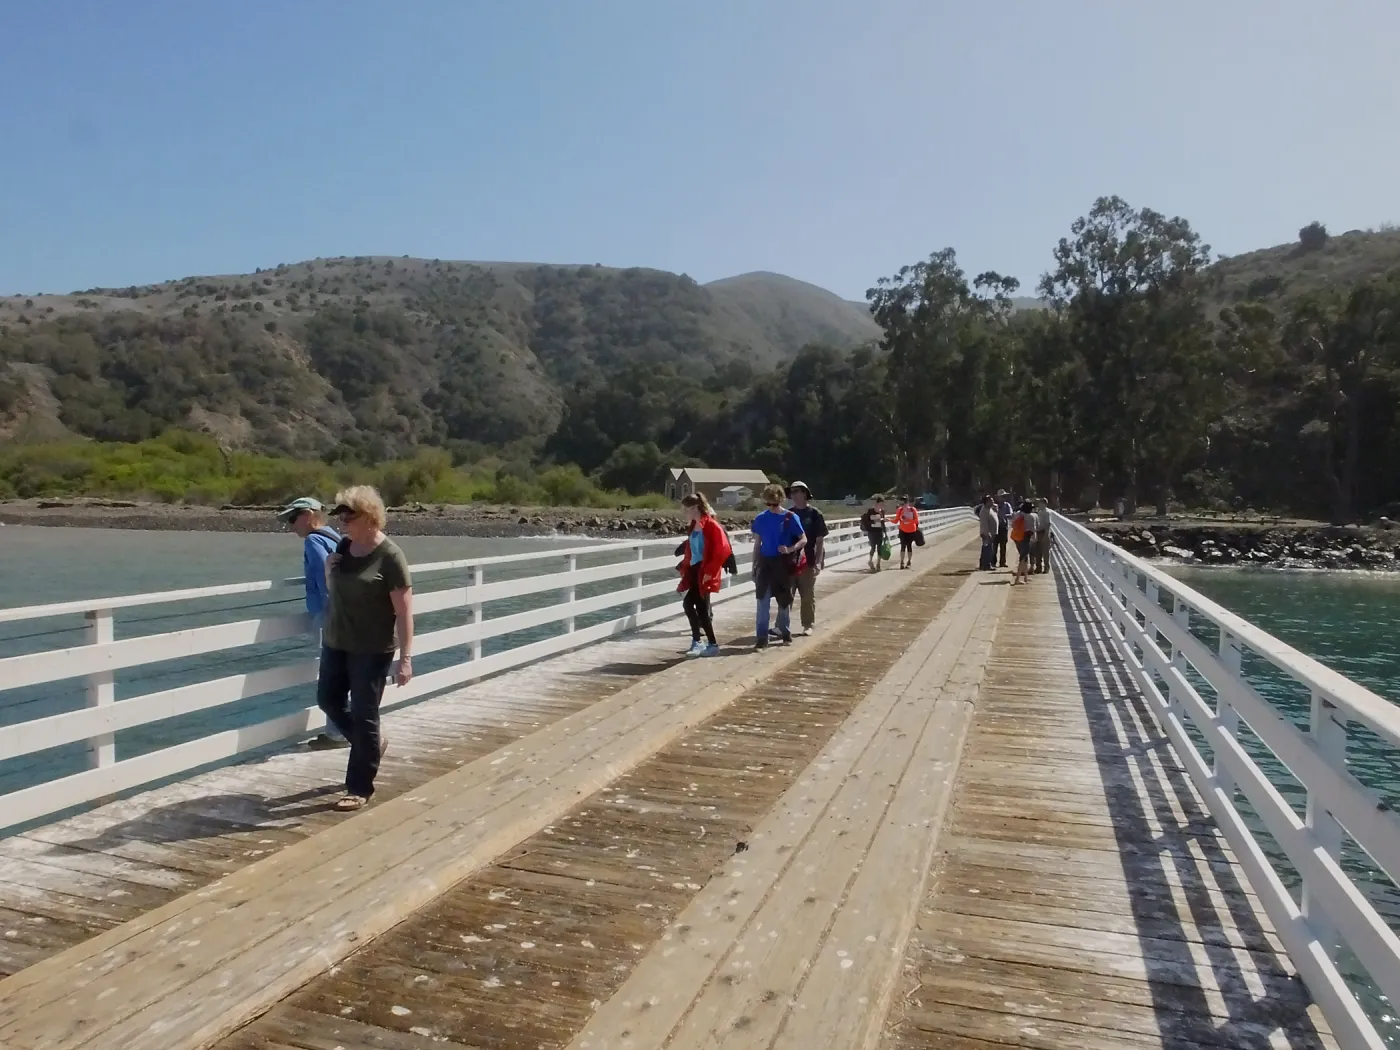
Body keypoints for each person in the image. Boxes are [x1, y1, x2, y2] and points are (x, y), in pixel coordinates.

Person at [320, 485, 415, 811]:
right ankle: (372, 744)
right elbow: (337, 592)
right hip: (336, 641)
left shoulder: (391, 557)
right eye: (340, 516)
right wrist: (328, 571)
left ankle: (359, 787)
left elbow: (404, 613)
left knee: (364, 715)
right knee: (327, 700)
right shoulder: (344, 547)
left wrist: (406, 659)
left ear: (369, 517)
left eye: (348, 517)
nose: (342, 522)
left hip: (371, 650)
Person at [278, 496, 349, 751]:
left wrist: (330, 614)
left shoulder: (314, 540)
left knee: (332, 675)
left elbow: (324, 576)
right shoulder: (335, 536)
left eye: (292, 518)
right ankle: (347, 728)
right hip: (346, 612)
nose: (290, 525)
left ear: (308, 515)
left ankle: (338, 733)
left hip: (330, 614)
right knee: (345, 673)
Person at [750, 483, 806, 649]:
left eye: (774, 504)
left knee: (784, 601)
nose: (772, 507)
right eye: (769, 504)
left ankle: (785, 632)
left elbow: (803, 539)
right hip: (765, 563)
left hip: (782, 563)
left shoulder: (790, 517)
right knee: (762, 600)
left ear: (781, 500)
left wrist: (790, 549)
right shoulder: (760, 518)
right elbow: (757, 544)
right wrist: (754, 566)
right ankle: (761, 638)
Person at [676, 493, 730, 657]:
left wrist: (710, 572)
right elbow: (690, 550)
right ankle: (701, 642)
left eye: (686, 509)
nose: (684, 513)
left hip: (704, 570)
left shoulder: (711, 525)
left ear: (695, 508)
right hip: (693, 570)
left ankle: (708, 643)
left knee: (697, 607)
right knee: (695, 607)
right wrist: (684, 568)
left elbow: (722, 549)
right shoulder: (694, 525)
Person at [787, 481, 828, 635]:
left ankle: (807, 624)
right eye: (791, 492)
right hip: (789, 562)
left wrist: (818, 562)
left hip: (808, 561)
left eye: (796, 491)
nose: (793, 495)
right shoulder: (788, 514)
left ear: (804, 493)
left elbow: (820, 541)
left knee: (807, 595)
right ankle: (783, 625)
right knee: (786, 595)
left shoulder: (815, 514)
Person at [860, 495, 888, 572]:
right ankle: (870, 561)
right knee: (873, 547)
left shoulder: (882, 511)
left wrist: (885, 532)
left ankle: (878, 564)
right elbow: (867, 521)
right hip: (872, 532)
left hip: (879, 531)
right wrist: (875, 521)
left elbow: (882, 523)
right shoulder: (870, 511)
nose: (882, 505)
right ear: (877, 503)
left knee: (879, 548)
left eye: (882, 504)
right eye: (881, 503)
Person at [1009, 499, 1034, 585]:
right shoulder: (1030, 517)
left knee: (1024, 557)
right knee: (1023, 558)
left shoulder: (1017, 514)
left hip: (1017, 537)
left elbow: (1012, 525)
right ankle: (1017, 579)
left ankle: (1026, 577)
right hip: (1025, 538)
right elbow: (1032, 530)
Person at [893, 495, 920, 570]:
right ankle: (902, 562)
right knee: (903, 546)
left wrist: (908, 520)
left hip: (911, 530)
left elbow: (916, 520)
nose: (902, 505)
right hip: (902, 530)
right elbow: (896, 520)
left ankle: (909, 561)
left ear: (907, 503)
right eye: (901, 504)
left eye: (903, 503)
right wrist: (889, 520)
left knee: (909, 546)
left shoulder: (912, 510)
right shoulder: (900, 510)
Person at [977, 495, 999, 571]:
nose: (993, 502)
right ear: (986, 502)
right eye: (991, 501)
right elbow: (984, 524)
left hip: (992, 533)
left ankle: (983, 565)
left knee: (987, 549)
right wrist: (987, 534)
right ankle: (986, 565)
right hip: (987, 534)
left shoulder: (990, 509)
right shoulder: (984, 511)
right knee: (988, 550)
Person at [996, 490, 1013, 568]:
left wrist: (1004, 515)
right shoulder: (994, 505)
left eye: (1004, 496)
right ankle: (993, 562)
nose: (1003, 498)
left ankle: (1002, 562)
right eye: (1002, 496)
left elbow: (1011, 514)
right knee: (994, 545)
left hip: (1003, 527)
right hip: (995, 527)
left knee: (1003, 546)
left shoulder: (1007, 505)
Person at [1035, 497, 1053, 574]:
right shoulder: (1040, 511)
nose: (1039, 504)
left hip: (1044, 532)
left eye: (1040, 503)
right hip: (1038, 532)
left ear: (1044, 504)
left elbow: (1048, 524)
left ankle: (1046, 567)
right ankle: (1038, 567)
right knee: (1038, 551)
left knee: (1045, 552)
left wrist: (1046, 534)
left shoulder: (1047, 512)